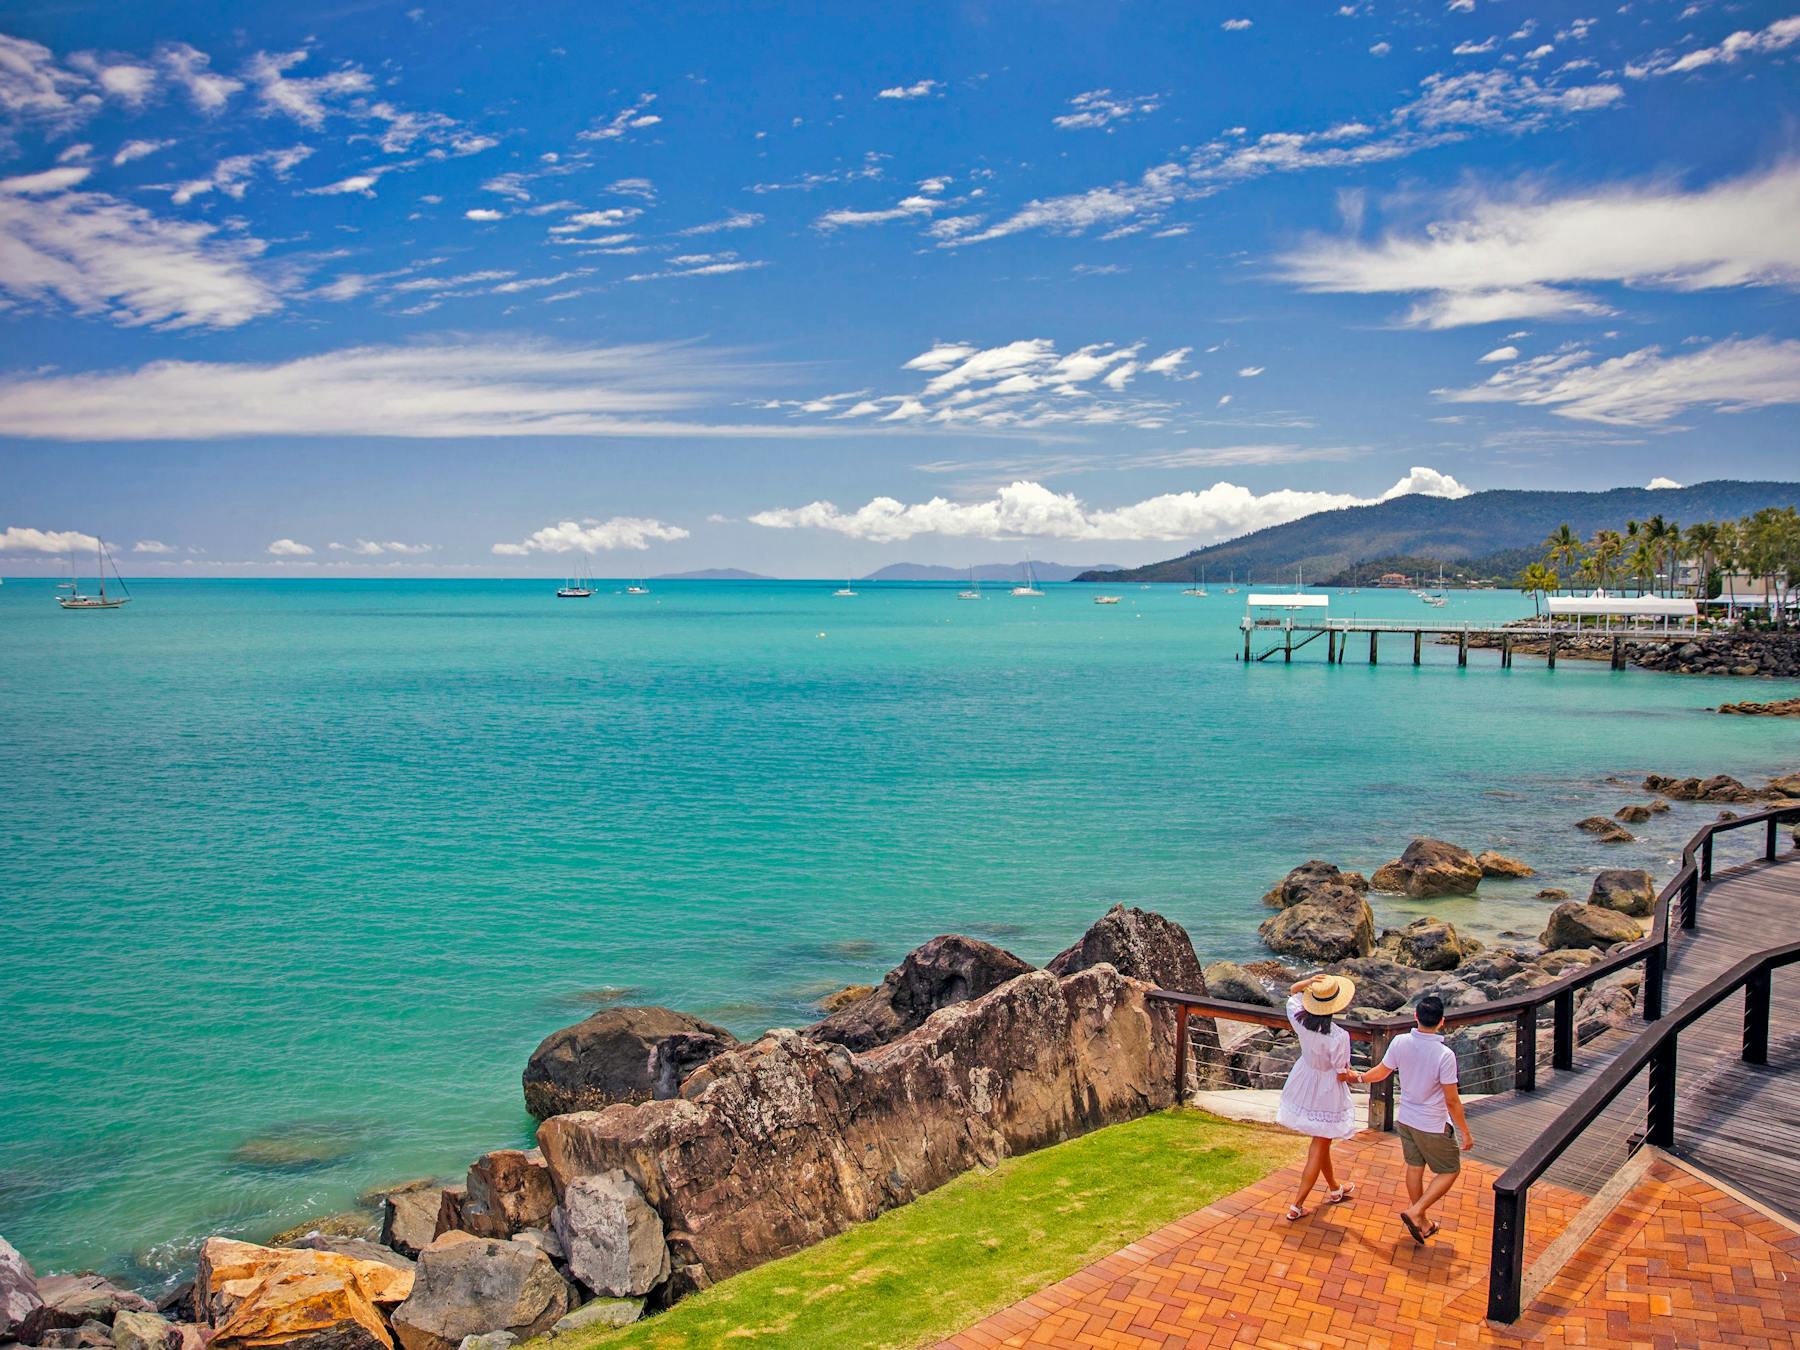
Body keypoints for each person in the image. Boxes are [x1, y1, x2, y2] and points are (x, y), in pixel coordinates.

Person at [1343, 993, 1473, 1244]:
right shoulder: (1444, 1055)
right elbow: (1452, 1100)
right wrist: (1465, 1131)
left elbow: (1381, 1072)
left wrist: (1356, 1077)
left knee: (1415, 1168)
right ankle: (1415, 1212)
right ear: (1441, 1022)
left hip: (1407, 1119)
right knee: (1450, 1170)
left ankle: (1422, 1222)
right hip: (1433, 1123)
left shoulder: (1401, 1042)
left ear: (1415, 1017)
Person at [1277, 973, 1359, 1221]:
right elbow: (1341, 1072)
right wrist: (1358, 1076)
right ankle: (1297, 1204)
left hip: (1305, 1078)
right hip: (1326, 1089)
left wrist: (1308, 982)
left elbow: (1292, 992)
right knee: (1319, 1145)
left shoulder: (1299, 1019)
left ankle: (1335, 1189)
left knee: (1322, 1143)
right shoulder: (1338, 1036)